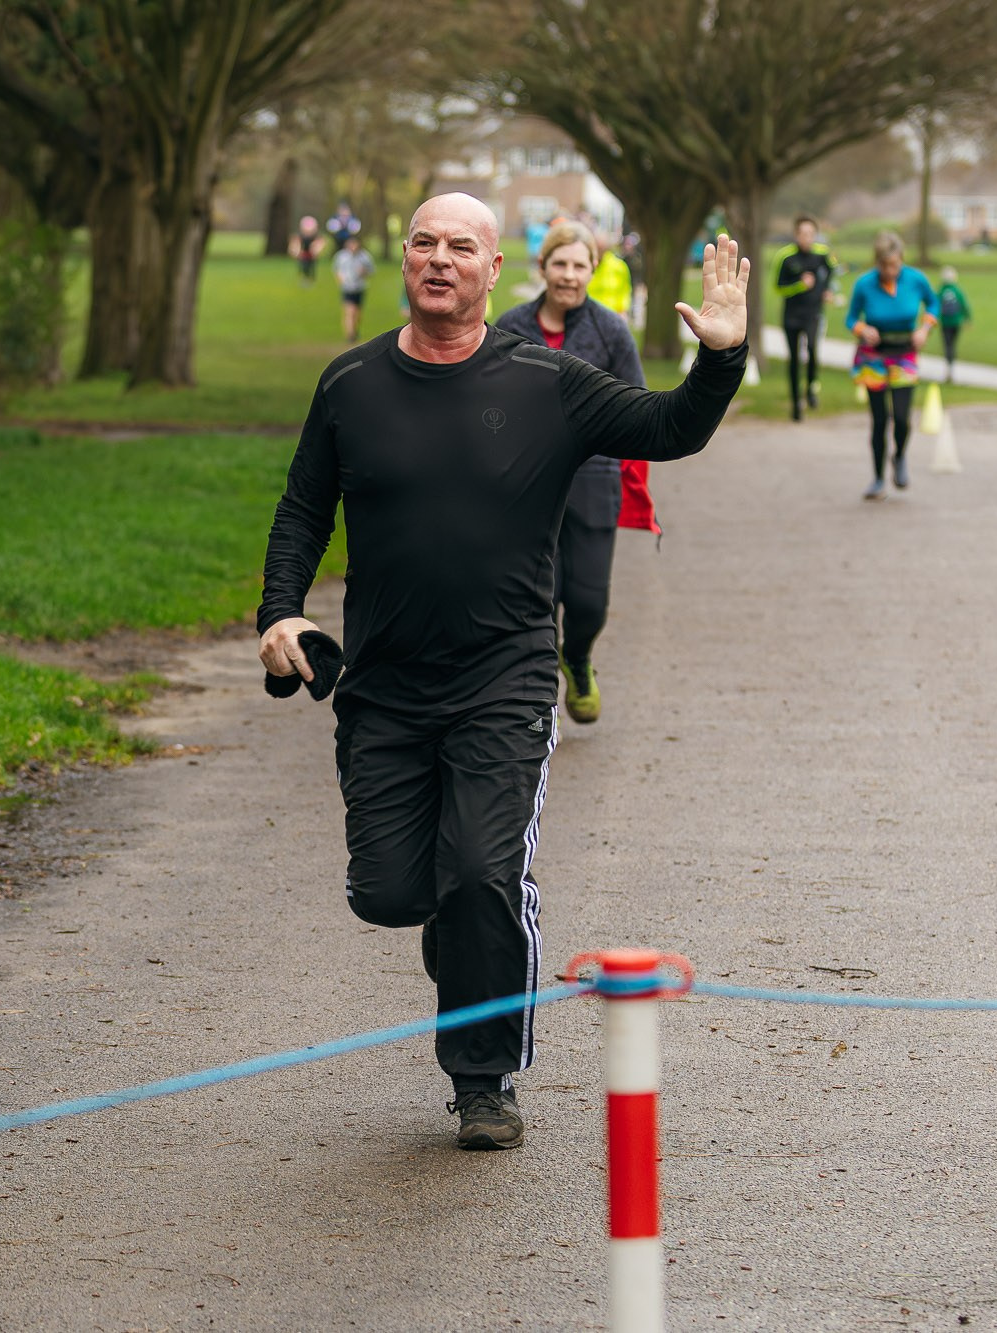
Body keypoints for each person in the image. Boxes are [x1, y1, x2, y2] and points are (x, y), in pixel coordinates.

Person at [257, 194, 748, 1150]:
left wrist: (720, 358)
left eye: (462, 247)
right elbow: (302, 509)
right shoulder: (349, 383)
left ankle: (482, 1078)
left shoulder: (548, 382)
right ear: (405, 258)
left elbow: (672, 426)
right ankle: (465, 931)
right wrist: (279, 608)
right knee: (391, 893)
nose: (440, 259)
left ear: (492, 271)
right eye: (425, 243)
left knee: (484, 871)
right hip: (386, 684)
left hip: (505, 679)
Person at [494, 219, 649, 726]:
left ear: (592, 269)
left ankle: (578, 659)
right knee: (537, 601)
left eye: (579, 265)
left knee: (587, 602)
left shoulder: (611, 331)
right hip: (524, 486)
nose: (568, 274)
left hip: (593, 480)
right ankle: (534, 706)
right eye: (559, 263)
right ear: (543, 267)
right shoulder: (510, 327)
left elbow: (637, 408)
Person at [846, 231, 937, 499]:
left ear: (901, 260)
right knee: (879, 420)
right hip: (873, 356)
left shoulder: (916, 279)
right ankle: (877, 479)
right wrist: (862, 329)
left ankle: (899, 457)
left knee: (901, 417)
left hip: (904, 354)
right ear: (877, 263)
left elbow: (933, 304)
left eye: (895, 265)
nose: (890, 271)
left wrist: (925, 328)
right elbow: (851, 319)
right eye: (885, 265)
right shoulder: (864, 284)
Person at [772, 216, 836, 420]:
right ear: (796, 235)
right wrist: (800, 285)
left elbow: (832, 270)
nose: (806, 238)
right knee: (793, 360)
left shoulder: (822, 254)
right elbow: (778, 288)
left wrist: (826, 290)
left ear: (815, 235)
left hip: (813, 313)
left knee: (812, 351)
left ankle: (810, 389)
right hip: (791, 316)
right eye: (803, 234)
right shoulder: (786, 256)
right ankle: (795, 405)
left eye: (810, 234)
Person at [333, 232, 376, 343]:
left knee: (357, 313)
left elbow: (371, 270)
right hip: (347, 288)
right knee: (349, 311)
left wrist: (364, 272)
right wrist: (341, 281)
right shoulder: (341, 256)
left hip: (359, 287)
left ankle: (354, 331)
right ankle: (350, 335)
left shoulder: (364, 256)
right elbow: (336, 270)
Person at [936, 265, 972, 384]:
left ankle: (948, 368)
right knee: (953, 345)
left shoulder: (941, 290)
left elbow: (935, 306)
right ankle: (951, 368)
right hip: (956, 322)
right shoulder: (957, 290)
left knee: (947, 345)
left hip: (945, 323)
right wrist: (968, 319)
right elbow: (965, 305)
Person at [585, 232, 633, 318]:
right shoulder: (584, 265)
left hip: (611, 318)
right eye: (596, 248)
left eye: (601, 249)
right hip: (587, 317)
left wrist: (622, 314)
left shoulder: (619, 267)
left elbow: (624, 295)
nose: (598, 252)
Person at [289, 215, 326, 286]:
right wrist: (296, 251)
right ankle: (305, 279)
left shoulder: (315, 236)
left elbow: (320, 243)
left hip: (312, 254)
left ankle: (311, 280)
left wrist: (316, 249)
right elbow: (296, 244)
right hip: (304, 254)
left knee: (312, 267)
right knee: (304, 266)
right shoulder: (301, 236)